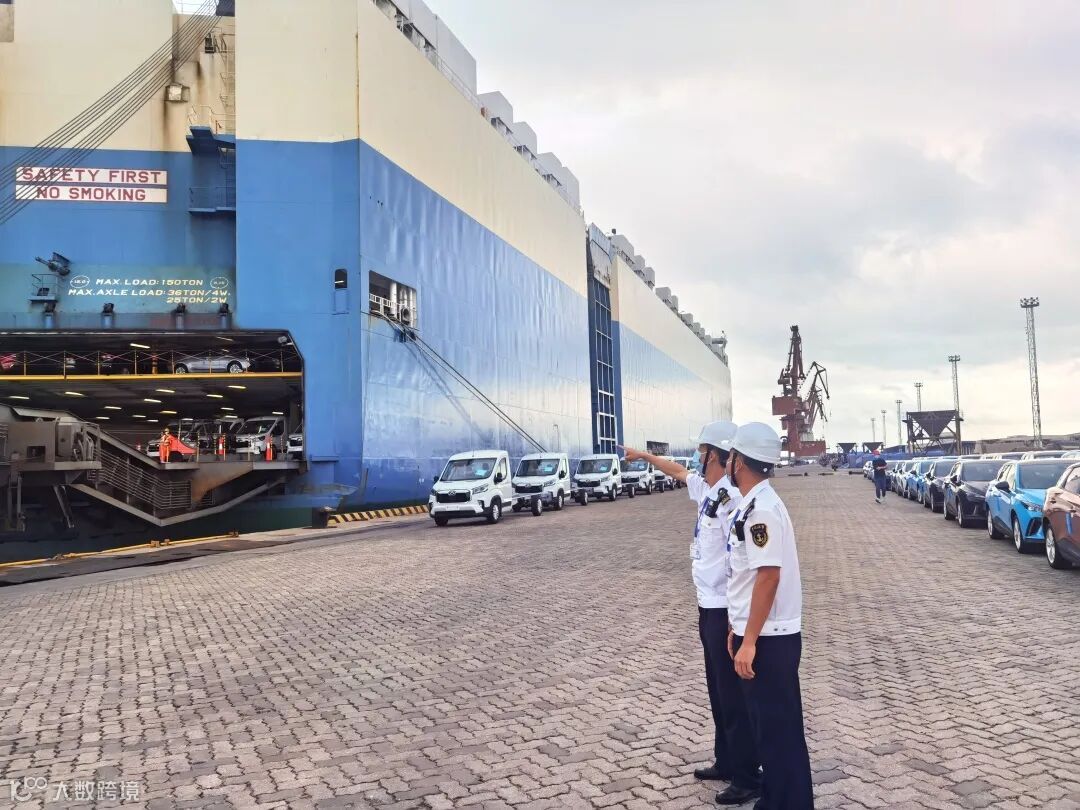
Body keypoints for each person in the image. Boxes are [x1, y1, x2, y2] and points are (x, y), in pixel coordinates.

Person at [620, 424, 761, 807]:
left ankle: (748, 777)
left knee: (732, 695)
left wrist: (737, 618)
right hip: (706, 605)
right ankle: (726, 760)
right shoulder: (708, 490)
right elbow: (678, 472)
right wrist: (643, 456)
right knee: (717, 689)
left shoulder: (732, 498)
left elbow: (740, 559)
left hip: (724, 609)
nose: (697, 457)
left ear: (715, 454)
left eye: (702, 451)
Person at [726, 422, 813, 809]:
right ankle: (777, 800)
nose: (728, 462)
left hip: (769, 639)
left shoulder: (761, 509)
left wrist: (749, 642)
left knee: (778, 734)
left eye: (730, 455)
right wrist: (738, 627)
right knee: (770, 731)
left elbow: (768, 576)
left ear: (740, 461)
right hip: (760, 632)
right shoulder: (754, 503)